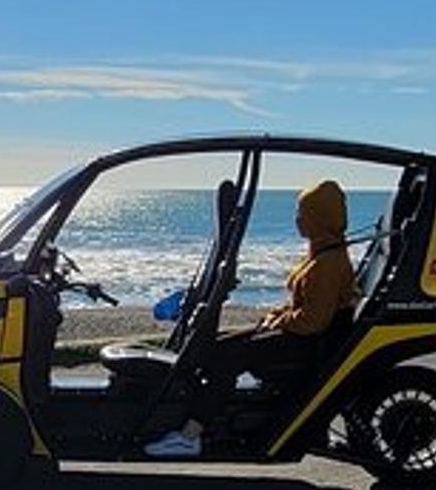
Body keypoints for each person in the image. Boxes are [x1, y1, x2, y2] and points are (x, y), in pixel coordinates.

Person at [144, 179, 357, 459]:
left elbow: (313, 321)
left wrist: (278, 321)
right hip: (300, 333)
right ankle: (200, 416)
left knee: (227, 358)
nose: (297, 220)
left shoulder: (327, 263)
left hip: (307, 341)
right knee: (213, 344)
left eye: (303, 214)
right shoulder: (321, 252)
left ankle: (190, 435)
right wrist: (276, 316)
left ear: (319, 219)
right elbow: (305, 307)